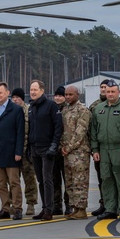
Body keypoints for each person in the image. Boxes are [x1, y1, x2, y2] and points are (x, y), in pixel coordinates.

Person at [90, 79, 120, 220]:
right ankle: (110, 209)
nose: (110, 94)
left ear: (118, 92)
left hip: (119, 149)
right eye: (108, 91)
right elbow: (93, 131)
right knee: (106, 179)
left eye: (113, 92)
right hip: (103, 150)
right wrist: (95, 149)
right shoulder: (98, 109)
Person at [0, 82, 26, 219]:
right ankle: (5, 209)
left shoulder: (16, 110)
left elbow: (20, 133)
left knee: (14, 182)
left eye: (0, 93)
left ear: (7, 93)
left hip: (12, 153)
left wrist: (18, 152)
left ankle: (17, 208)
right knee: (1, 183)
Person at [27, 79, 63, 220]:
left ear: (42, 91)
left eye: (35, 90)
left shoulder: (51, 106)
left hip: (47, 148)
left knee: (48, 179)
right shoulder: (31, 107)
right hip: (35, 148)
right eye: (31, 90)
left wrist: (54, 145)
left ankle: (49, 209)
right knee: (40, 180)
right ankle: (44, 208)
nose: (33, 92)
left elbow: (58, 127)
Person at [61, 85, 92, 219]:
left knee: (80, 181)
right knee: (70, 182)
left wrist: (69, 147)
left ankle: (81, 209)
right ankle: (74, 207)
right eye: (66, 95)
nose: (67, 97)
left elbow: (80, 132)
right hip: (67, 152)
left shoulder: (82, 110)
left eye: (70, 94)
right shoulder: (65, 110)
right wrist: (62, 146)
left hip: (79, 152)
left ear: (77, 95)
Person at [11, 87, 39, 216]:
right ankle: (15, 203)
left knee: (29, 179)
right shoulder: (10, 111)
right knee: (13, 180)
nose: (15, 100)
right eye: (14, 97)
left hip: (27, 152)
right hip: (13, 151)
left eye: (18, 97)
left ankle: (31, 203)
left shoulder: (29, 111)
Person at [89, 82, 108, 216]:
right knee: (102, 178)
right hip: (99, 149)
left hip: (114, 149)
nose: (103, 90)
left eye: (106, 88)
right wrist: (93, 148)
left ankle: (116, 204)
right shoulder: (94, 106)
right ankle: (104, 203)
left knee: (114, 177)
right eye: (101, 87)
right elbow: (91, 129)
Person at [52, 86, 68, 214]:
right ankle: (57, 205)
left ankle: (69, 205)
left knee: (67, 179)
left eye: (60, 96)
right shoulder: (51, 109)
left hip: (65, 149)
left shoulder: (68, 110)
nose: (57, 98)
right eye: (56, 95)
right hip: (54, 150)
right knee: (54, 179)